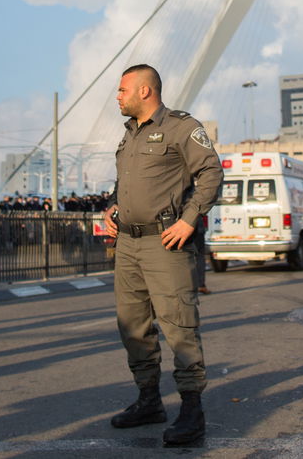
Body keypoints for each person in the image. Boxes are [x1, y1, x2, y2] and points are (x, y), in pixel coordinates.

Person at [102, 64, 222, 447]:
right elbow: (125, 183)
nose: (117, 96)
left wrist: (189, 219)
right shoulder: (129, 135)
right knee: (132, 326)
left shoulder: (181, 127)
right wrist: (112, 207)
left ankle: (192, 410)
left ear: (145, 91)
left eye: (122, 90)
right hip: (128, 244)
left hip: (165, 243)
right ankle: (149, 400)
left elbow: (211, 173)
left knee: (178, 326)